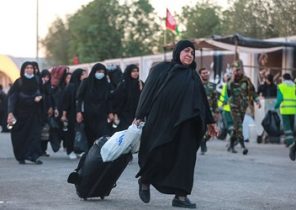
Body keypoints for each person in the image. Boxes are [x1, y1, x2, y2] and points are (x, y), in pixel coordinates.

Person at [134, 40, 218, 209]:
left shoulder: (193, 76)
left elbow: (202, 100)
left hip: (187, 126)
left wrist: (210, 122)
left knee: (185, 161)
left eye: (192, 53)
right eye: (186, 51)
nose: (189, 55)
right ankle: (145, 181)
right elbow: (147, 93)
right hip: (161, 122)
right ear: (178, 52)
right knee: (157, 152)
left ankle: (181, 196)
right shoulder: (161, 70)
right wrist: (139, 115)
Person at [7, 61, 43, 164]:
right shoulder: (19, 82)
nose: (29, 70)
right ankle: (21, 156)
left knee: (34, 135)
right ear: (23, 69)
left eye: (31, 68)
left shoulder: (37, 80)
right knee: (20, 135)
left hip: (34, 113)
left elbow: (42, 93)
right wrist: (10, 112)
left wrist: (40, 97)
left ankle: (33, 156)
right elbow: (13, 98)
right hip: (21, 114)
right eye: (27, 68)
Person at [225, 60, 261, 155]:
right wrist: (232, 79)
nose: (237, 71)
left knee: (236, 127)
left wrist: (257, 101)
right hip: (234, 106)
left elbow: (252, 91)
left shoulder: (246, 80)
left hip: (243, 107)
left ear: (242, 69)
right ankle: (242, 146)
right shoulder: (230, 80)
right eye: (235, 70)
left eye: (239, 69)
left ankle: (231, 144)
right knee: (239, 126)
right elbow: (228, 92)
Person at [76, 63, 114, 147]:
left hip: (102, 114)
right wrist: (79, 112)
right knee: (90, 136)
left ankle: (100, 156)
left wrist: (110, 112)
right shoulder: (86, 82)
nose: (101, 74)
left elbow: (108, 99)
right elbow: (79, 98)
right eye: (99, 71)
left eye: (103, 72)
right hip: (89, 114)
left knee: (102, 136)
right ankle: (89, 155)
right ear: (94, 72)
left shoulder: (106, 84)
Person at [61, 68, 87, 159]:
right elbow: (65, 102)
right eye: (83, 74)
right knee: (71, 132)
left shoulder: (85, 85)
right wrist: (64, 114)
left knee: (81, 132)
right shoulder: (71, 87)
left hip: (82, 113)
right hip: (72, 113)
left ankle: (79, 150)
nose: (85, 76)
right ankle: (70, 150)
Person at [111, 64, 144, 131]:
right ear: (129, 72)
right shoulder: (123, 85)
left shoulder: (140, 84)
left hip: (138, 114)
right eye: (133, 71)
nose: (136, 73)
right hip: (125, 116)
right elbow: (117, 100)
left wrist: (141, 90)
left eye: (137, 71)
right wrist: (116, 113)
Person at [274, 73, 296, 160]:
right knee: (291, 127)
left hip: (285, 109)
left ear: (283, 78)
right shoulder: (294, 85)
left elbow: (280, 98)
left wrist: (275, 106)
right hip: (293, 109)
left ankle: (291, 144)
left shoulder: (281, 86)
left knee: (287, 129)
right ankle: (290, 142)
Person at [198, 67, 219, 155]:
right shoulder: (196, 85)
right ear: (200, 74)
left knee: (211, 131)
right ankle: (201, 144)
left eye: (206, 73)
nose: (205, 74)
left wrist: (217, 111)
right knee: (200, 129)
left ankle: (203, 141)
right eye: (203, 73)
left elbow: (215, 100)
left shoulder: (212, 86)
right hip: (199, 111)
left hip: (210, 112)